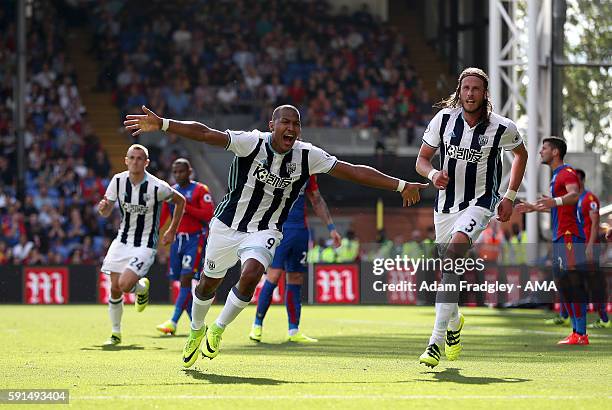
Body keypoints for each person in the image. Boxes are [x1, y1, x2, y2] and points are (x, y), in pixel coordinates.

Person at [124, 104, 428, 368]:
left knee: (254, 272)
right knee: (206, 286)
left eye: (296, 123)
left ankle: (218, 329)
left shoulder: (307, 156)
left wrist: (401, 185)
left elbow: (353, 171)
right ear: (272, 125)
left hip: (266, 229)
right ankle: (196, 329)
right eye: (285, 122)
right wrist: (163, 124)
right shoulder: (250, 143)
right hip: (227, 226)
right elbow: (206, 133)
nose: (291, 128)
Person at [415, 67, 528, 367]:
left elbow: (521, 155)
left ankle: (434, 343)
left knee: (453, 256)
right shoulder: (443, 120)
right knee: (447, 271)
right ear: (459, 91)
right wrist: (433, 174)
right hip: (444, 207)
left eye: (476, 89)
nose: (470, 94)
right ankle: (454, 324)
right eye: (465, 88)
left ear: (484, 94)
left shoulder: (502, 127)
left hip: (480, 204)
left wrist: (510, 196)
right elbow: (421, 160)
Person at [98, 144, 185, 346]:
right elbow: (106, 209)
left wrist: (172, 229)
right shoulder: (118, 181)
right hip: (122, 240)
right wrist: (103, 208)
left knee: (124, 284)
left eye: (140, 158)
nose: (135, 161)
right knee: (114, 289)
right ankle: (115, 333)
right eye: (132, 157)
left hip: (145, 244)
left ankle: (140, 288)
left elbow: (180, 201)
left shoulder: (157, 186)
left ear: (146, 163)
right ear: (126, 160)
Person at [249, 175, 340, 343]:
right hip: (277, 230)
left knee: (296, 278)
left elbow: (317, 199)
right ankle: (257, 325)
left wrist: (331, 228)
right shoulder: (274, 165)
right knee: (274, 276)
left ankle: (293, 330)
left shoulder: (307, 168)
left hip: (300, 231)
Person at [516, 137, 589, 344]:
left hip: (569, 235)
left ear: (556, 152)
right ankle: (577, 332)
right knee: (564, 283)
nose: (541, 152)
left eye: (544, 148)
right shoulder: (556, 176)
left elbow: (574, 195)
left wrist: (554, 201)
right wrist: (533, 207)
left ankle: (581, 333)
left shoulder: (566, 173)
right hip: (560, 235)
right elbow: (559, 205)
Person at [156, 158, 215, 335]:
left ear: (189, 172)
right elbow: (164, 216)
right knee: (183, 283)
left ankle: (173, 321)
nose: (178, 175)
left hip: (195, 239)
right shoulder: (172, 192)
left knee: (186, 279)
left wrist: (185, 208)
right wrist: (153, 235)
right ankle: (197, 325)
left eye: (181, 171)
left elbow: (209, 213)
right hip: (177, 241)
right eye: (175, 172)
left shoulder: (200, 190)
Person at [575, 169, 608, 329]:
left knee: (594, 282)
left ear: (580, 180)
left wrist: (589, 245)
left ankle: (603, 318)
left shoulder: (590, 198)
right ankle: (572, 317)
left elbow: (595, 223)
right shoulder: (574, 198)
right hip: (577, 245)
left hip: (589, 247)